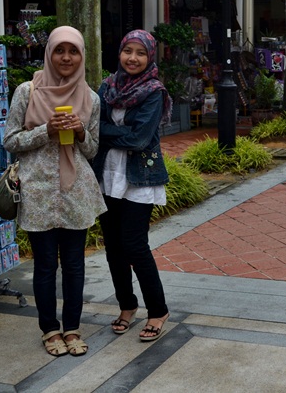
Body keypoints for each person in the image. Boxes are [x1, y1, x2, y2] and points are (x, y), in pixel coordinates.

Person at [3, 26, 105, 357]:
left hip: (75, 192)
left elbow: (92, 150)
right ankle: (50, 330)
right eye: (59, 50)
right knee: (45, 265)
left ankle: (72, 329)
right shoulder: (27, 92)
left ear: (81, 56)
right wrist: (45, 131)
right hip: (39, 192)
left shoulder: (91, 98)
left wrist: (80, 133)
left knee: (74, 265)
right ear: (49, 53)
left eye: (73, 51)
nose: (66, 57)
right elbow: (10, 141)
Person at [93, 29, 172, 342]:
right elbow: (94, 126)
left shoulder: (154, 91)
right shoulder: (107, 86)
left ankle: (158, 310)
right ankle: (127, 305)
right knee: (113, 247)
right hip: (107, 175)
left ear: (149, 57)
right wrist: (110, 132)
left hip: (140, 178)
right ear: (120, 53)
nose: (133, 58)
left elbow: (140, 139)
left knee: (134, 245)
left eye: (140, 53)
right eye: (128, 51)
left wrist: (105, 132)